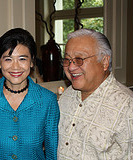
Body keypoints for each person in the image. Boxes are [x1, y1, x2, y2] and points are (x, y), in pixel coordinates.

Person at [0, 28, 60, 159]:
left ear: (31, 62)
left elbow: (52, 153)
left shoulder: (48, 100)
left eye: (22, 59)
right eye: (8, 59)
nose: (15, 67)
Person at [57, 28, 133, 159]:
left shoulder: (126, 106)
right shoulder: (67, 96)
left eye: (79, 59)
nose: (71, 67)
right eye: (67, 60)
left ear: (104, 62)